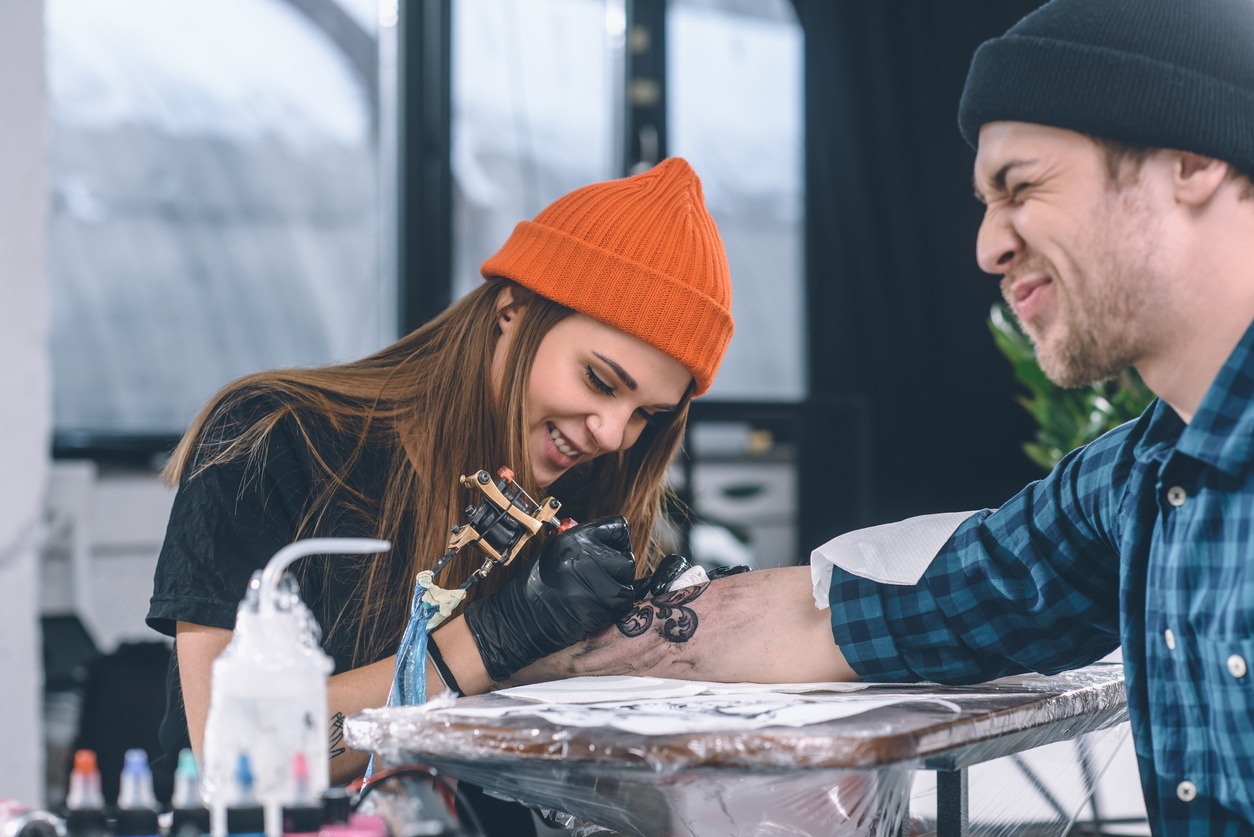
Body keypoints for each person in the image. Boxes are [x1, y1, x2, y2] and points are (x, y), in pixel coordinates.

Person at [500, 1, 1254, 831]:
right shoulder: (1133, 484)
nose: (988, 247)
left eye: (1023, 186)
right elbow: (848, 613)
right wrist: (515, 651)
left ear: (1190, 161)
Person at [144, 157, 734, 807]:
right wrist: (485, 641)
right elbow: (237, 756)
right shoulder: (273, 443)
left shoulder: (581, 506)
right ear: (511, 309)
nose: (613, 434)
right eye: (600, 380)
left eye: (645, 414)